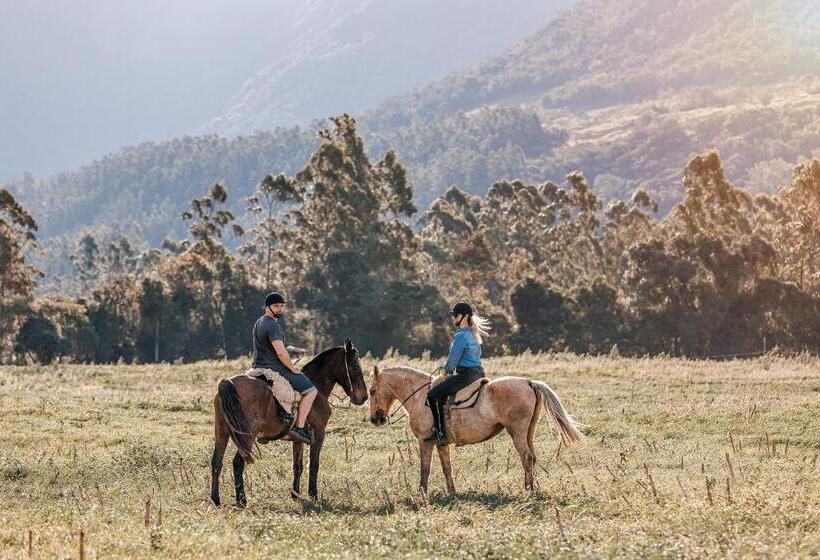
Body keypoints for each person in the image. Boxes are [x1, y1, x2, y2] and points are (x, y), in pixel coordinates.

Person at [252, 291, 317, 444]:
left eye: (282, 306)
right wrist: (292, 368)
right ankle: (299, 428)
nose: (280, 309)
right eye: (276, 306)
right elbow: (281, 353)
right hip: (274, 368)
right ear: (267, 307)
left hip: (257, 367)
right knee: (311, 391)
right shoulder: (272, 325)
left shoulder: (259, 322)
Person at [424, 302, 490, 444]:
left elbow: (454, 357)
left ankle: (440, 433)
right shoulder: (474, 334)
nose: (453, 318)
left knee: (433, 395)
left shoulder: (461, 335)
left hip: (465, 375)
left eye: (456, 315)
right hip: (479, 373)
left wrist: (446, 370)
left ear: (464, 316)